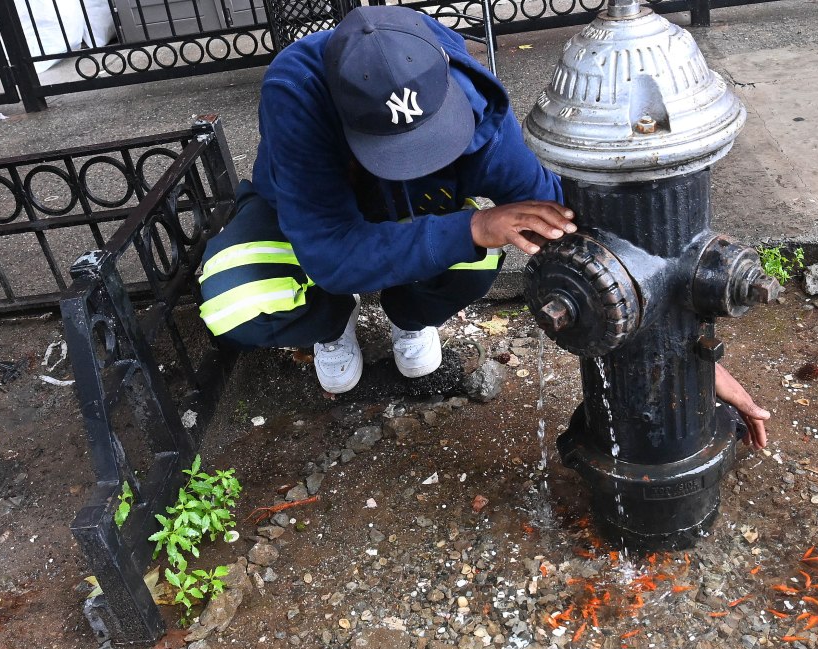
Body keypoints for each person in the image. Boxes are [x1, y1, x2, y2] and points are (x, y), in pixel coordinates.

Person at [197, 5, 770, 448]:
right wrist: (472, 225)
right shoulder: (296, 92)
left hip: (413, 210)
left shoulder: (473, 98)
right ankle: (331, 321)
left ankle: (408, 316)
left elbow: (568, 234)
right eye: (391, 148)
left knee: (487, 250)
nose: (416, 155)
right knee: (233, 299)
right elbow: (328, 252)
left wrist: (686, 360)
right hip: (311, 215)